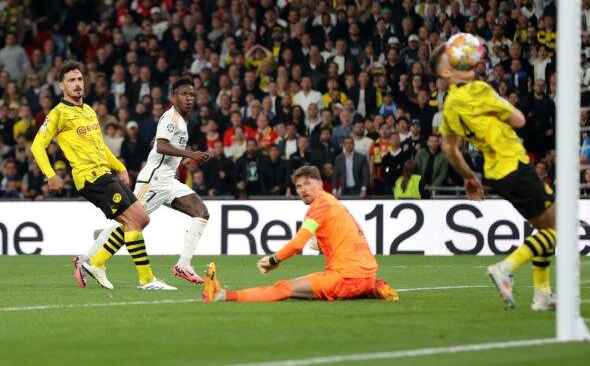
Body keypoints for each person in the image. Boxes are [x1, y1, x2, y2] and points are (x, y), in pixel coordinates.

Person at [430, 44, 556, 311]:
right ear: (446, 73)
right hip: (514, 165)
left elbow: (449, 148)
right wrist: (500, 106)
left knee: (544, 230)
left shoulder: (449, 105)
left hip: (496, 173)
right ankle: (505, 268)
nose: (460, 60)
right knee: (559, 229)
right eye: (453, 61)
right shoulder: (480, 90)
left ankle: (542, 294)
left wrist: (469, 177)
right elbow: (520, 119)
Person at [30, 60, 167, 290]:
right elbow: (37, 146)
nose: (77, 84)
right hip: (89, 177)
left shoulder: (88, 110)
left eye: (80, 79)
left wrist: (120, 166)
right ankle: (146, 280)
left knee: (142, 218)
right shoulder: (58, 114)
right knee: (132, 220)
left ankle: (95, 261)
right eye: (71, 80)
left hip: (105, 173)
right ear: (62, 86)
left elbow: (101, 147)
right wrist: (51, 175)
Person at [78, 78, 212, 286]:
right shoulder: (172, 118)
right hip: (154, 181)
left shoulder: (181, 120)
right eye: (184, 94)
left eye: (192, 94)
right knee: (131, 223)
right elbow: (160, 146)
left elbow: (157, 142)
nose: (189, 98)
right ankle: (88, 261)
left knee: (201, 213)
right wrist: (190, 154)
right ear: (173, 97)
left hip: (169, 181)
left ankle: (183, 265)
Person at [202, 165, 398, 302]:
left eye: (308, 183)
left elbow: (298, 244)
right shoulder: (332, 202)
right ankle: (373, 288)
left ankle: (221, 295)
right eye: (298, 186)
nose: (303, 189)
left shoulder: (319, 205)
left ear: (320, 183)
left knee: (284, 288)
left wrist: (274, 260)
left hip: (347, 278)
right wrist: (321, 243)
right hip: (368, 274)